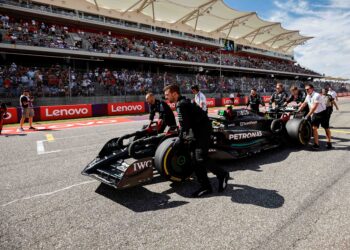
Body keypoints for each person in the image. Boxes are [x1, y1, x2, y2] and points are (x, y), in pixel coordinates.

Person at [164, 84, 229, 197]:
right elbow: (186, 125)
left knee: (200, 157)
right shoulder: (182, 102)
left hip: (203, 130)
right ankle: (205, 186)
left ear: (175, 94)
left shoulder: (182, 104)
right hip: (196, 130)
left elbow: (185, 127)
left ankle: (222, 174)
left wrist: (179, 140)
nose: (166, 98)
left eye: (167, 95)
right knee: (194, 158)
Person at [298, 84, 331, 149]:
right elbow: (304, 103)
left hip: (323, 113)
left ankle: (329, 142)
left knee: (326, 128)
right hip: (315, 114)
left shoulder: (317, 95)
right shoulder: (308, 95)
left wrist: (307, 115)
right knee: (314, 128)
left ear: (312, 89)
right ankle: (316, 144)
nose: (306, 90)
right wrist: (299, 109)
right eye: (305, 89)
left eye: (307, 89)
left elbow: (314, 108)